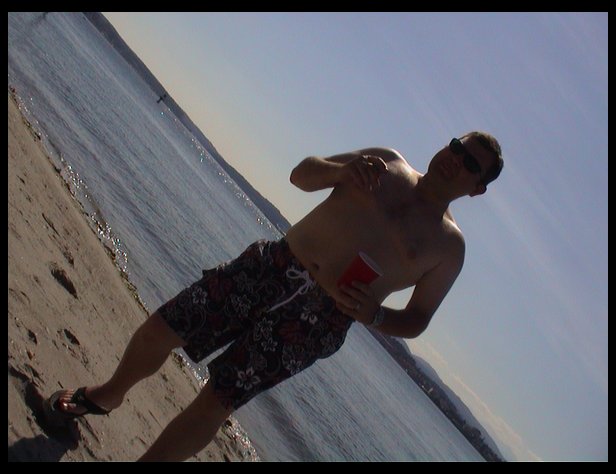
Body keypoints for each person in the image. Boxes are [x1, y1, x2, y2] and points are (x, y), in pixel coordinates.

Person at [43, 131, 503, 461]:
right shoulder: (387, 162)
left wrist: (375, 315)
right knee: (164, 328)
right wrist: (343, 170)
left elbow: (418, 318)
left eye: (470, 163)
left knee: (217, 400)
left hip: (317, 322)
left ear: (478, 188)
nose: (455, 159)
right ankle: (107, 395)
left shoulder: (449, 247)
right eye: (457, 146)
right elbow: (302, 175)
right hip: (273, 266)